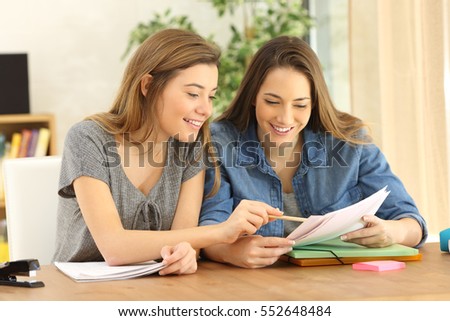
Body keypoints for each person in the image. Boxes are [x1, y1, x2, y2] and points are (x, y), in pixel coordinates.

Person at [53, 29, 280, 275]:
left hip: (156, 289)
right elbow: (114, 248)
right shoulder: (88, 138)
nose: (206, 109)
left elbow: (184, 239)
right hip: (79, 293)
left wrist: (186, 255)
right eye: (193, 94)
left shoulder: (190, 148)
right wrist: (222, 231)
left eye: (211, 96)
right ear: (148, 85)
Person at [199, 35, 428, 269]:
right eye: (272, 101)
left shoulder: (349, 142)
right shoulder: (220, 142)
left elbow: (413, 224)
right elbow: (207, 232)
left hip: (340, 283)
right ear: (253, 97)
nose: (285, 118)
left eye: (300, 105)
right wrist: (230, 252)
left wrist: (392, 231)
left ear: (314, 103)